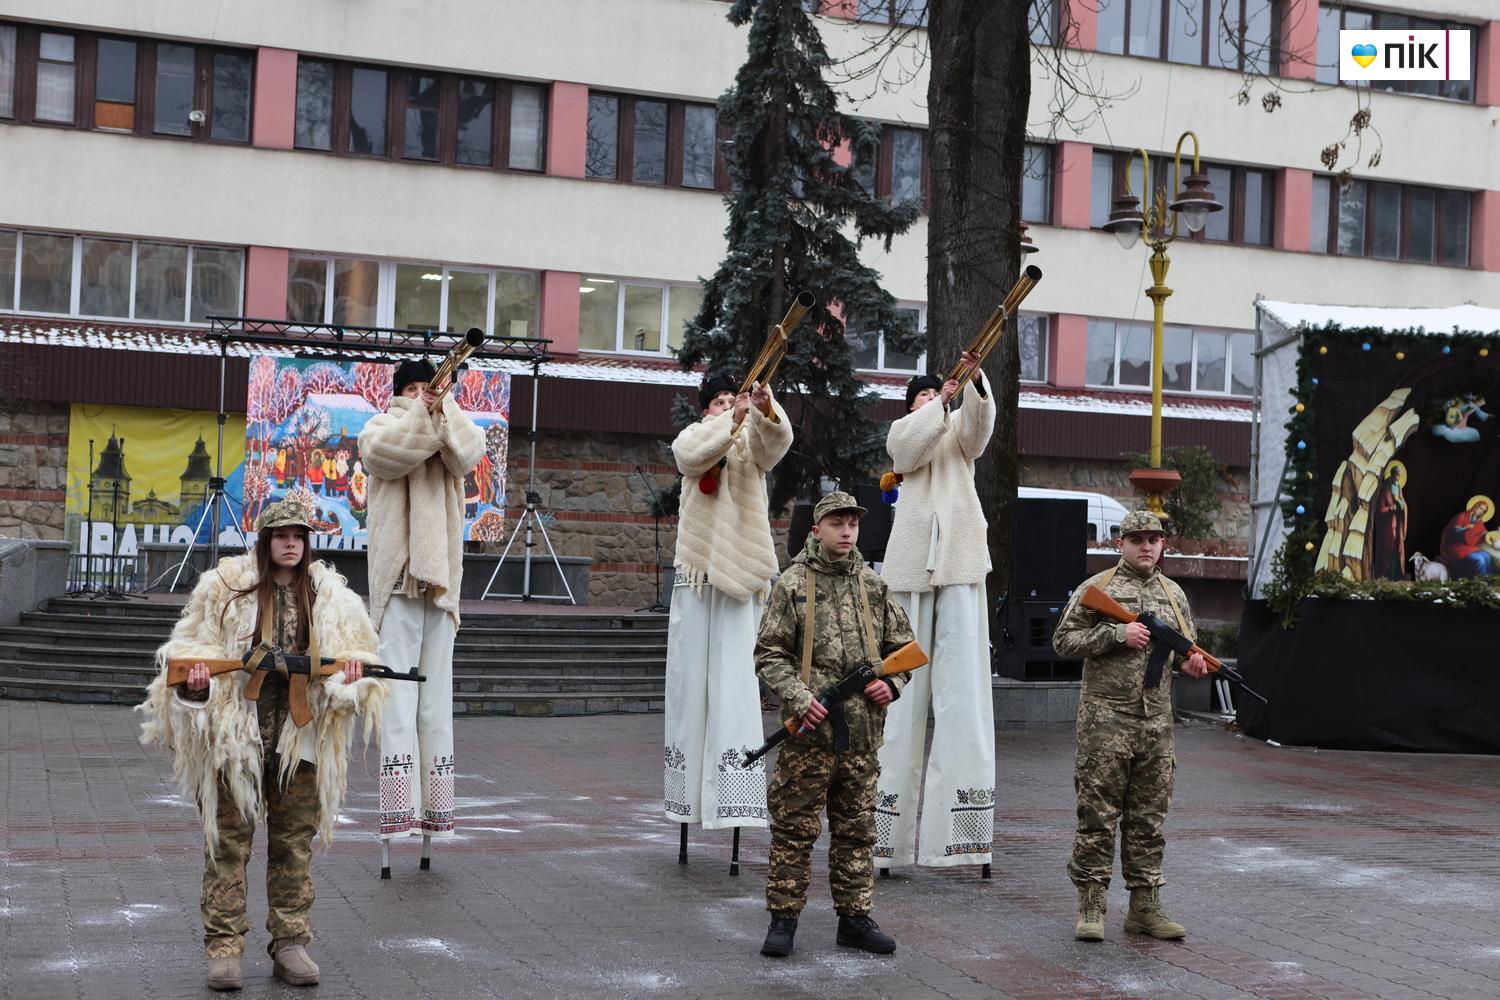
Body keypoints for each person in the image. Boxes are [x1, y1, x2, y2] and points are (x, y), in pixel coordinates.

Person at [138, 496, 388, 990]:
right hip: (239, 736)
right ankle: (224, 948)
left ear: (307, 542)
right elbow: (193, 648)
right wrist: (200, 681)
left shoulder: (333, 599)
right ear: (265, 541)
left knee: (293, 844)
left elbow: (358, 656)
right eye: (280, 536)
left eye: (297, 536)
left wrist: (353, 678)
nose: (290, 545)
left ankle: (291, 943)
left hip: (303, 737)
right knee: (227, 844)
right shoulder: (226, 589)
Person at [754, 491, 917, 959]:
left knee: (857, 831)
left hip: (862, 738)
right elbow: (769, 654)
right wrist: (801, 698)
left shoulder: (873, 585)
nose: (847, 532)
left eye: (853, 524)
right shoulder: (793, 584)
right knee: (794, 830)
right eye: (837, 524)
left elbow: (903, 647)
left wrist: (895, 683)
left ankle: (854, 919)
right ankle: (783, 919)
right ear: (816, 530)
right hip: (809, 737)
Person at [1052, 509, 1210, 943]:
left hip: (1156, 723)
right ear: (1119, 544)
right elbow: (1062, 641)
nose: (1146, 546)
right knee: (1098, 815)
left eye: (1153, 539)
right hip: (1106, 720)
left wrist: (1192, 663)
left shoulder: (1173, 594)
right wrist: (1114, 636)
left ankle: (1145, 906)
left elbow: (1184, 650)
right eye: (1137, 539)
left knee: (1148, 818)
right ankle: (1092, 903)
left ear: (1162, 546)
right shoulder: (1097, 588)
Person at [874, 355, 997, 872]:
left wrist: (972, 384)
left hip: (962, 563)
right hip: (908, 571)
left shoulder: (957, 436)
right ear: (911, 406)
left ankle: (962, 839)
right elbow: (904, 449)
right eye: (921, 397)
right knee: (901, 699)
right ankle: (887, 839)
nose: (931, 401)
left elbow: (979, 431)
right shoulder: (908, 433)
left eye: (934, 395)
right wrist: (938, 401)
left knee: (962, 694)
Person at [359, 358, 485, 862]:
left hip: (442, 585)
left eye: (428, 386)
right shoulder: (382, 426)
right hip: (397, 582)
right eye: (413, 387)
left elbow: (468, 456)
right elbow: (386, 457)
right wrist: (424, 416)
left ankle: (435, 816)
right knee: (396, 705)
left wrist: (444, 409)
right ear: (398, 393)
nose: (422, 394)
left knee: (435, 707)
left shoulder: (450, 424)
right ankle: (396, 819)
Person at [664, 373, 791, 838]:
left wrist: (764, 406)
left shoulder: (749, 443)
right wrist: (731, 417)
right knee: (689, 685)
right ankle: (687, 801)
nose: (725, 405)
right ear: (705, 409)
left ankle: (734, 803)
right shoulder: (699, 435)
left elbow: (775, 445)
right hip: (698, 573)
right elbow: (688, 456)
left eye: (729, 398)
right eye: (717, 401)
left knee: (738, 685)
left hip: (743, 576)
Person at [1439, 495, 1494, 579]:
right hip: (1454, 546)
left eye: (1483, 511)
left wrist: (1487, 535)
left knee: (1488, 557)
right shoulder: (1462, 516)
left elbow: (1481, 535)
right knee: (1480, 560)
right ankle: (1479, 584)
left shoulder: (1479, 522)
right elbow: (1454, 532)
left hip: (1468, 547)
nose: (1481, 512)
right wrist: (1465, 528)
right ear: (1475, 506)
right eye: (1480, 508)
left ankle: (1489, 583)